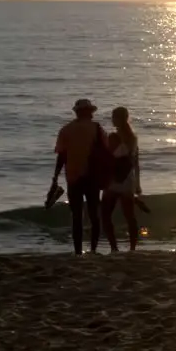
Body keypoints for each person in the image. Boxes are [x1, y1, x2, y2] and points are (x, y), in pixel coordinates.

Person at [53, 98, 109, 254]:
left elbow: (61, 157)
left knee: (76, 216)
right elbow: (106, 152)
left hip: (73, 177)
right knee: (94, 215)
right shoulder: (97, 129)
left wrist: (55, 178)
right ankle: (93, 249)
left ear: (77, 112)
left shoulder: (66, 130)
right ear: (89, 112)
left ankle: (78, 251)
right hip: (92, 176)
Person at [101, 106, 143, 252]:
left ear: (118, 119)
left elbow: (108, 159)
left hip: (113, 180)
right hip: (127, 180)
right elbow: (136, 162)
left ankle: (114, 247)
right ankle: (132, 248)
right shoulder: (133, 138)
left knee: (105, 215)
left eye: (114, 117)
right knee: (130, 216)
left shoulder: (113, 137)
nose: (112, 120)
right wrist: (138, 184)